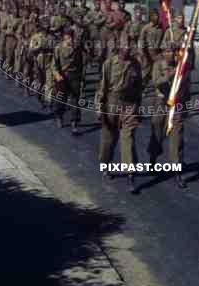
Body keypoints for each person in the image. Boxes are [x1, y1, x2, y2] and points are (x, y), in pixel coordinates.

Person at [95, 33, 142, 193]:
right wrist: (99, 108)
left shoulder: (136, 64)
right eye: (124, 44)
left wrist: (138, 108)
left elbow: (138, 88)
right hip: (112, 104)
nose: (127, 48)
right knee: (108, 140)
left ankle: (130, 175)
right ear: (119, 46)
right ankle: (106, 164)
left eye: (130, 45)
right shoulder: (109, 64)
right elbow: (102, 88)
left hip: (129, 105)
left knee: (127, 139)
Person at [147, 45, 189, 188]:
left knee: (177, 139)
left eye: (172, 51)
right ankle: (153, 159)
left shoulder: (182, 65)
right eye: (167, 51)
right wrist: (170, 75)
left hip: (176, 105)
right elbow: (156, 82)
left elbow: (186, 86)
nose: (169, 54)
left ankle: (177, 171)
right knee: (157, 134)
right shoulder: (158, 64)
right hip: (161, 103)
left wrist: (185, 107)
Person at [52, 28, 84, 134]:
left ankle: (74, 122)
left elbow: (80, 64)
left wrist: (81, 77)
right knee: (61, 98)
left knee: (75, 100)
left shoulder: (77, 48)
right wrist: (57, 74)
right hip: (63, 77)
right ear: (64, 37)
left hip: (74, 76)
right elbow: (54, 64)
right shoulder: (58, 48)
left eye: (71, 36)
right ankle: (59, 116)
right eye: (67, 36)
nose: (69, 38)